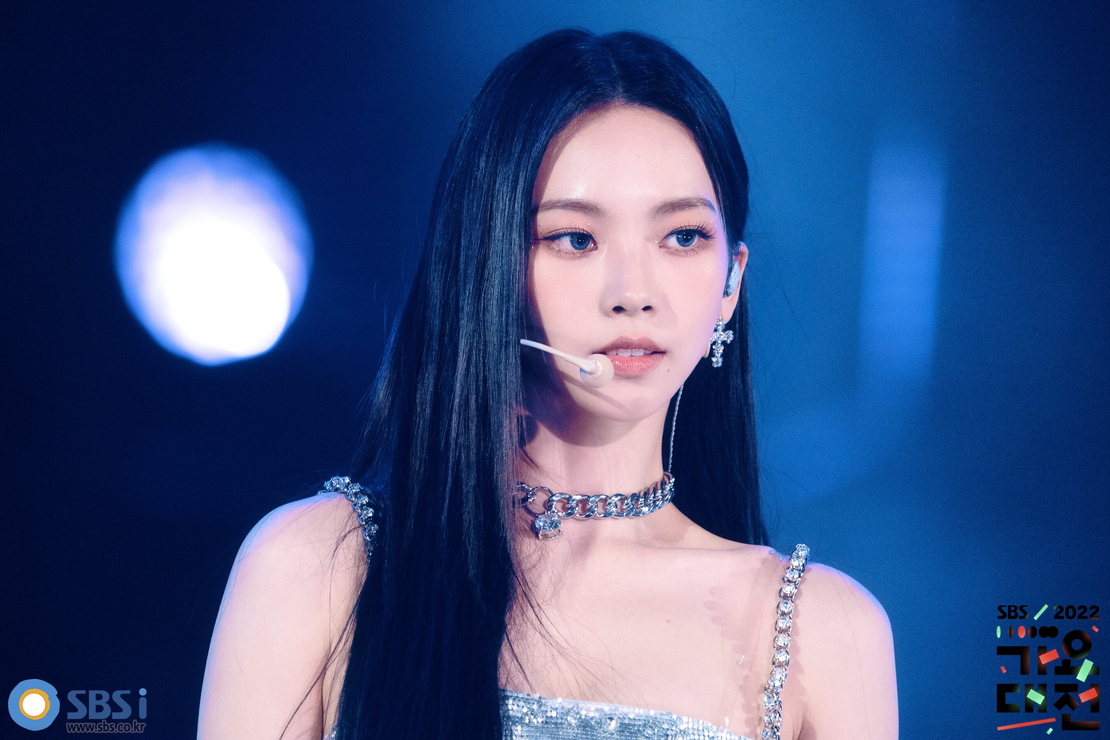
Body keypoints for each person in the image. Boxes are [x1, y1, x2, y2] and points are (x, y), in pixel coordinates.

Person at [198, 27, 898, 740]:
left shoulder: (821, 630)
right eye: (576, 239)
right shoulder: (319, 568)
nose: (634, 294)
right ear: (491, 265)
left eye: (683, 237)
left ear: (731, 283)